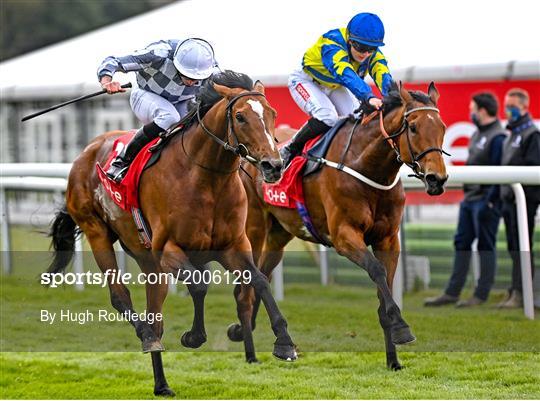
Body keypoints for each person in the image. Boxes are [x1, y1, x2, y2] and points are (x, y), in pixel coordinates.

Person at [280, 12, 393, 167]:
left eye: (372, 49)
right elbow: (346, 74)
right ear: (349, 39)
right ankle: (289, 149)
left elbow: (383, 74)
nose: (365, 54)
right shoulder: (332, 44)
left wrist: (392, 96)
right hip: (305, 81)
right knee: (327, 116)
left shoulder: (372, 54)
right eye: (361, 47)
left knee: (357, 117)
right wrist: (368, 97)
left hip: (334, 85)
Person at [425, 93, 506, 307]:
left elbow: (501, 173)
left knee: (485, 247)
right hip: (470, 200)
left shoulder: (498, 136)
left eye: (472, 108)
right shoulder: (478, 135)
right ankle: (452, 292)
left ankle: (481, 295)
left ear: (482, 110)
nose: (470, 113)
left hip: (486, 201)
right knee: (461, 243)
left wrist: (490, 201)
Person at [97, 38, 218, 182]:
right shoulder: (157, 54)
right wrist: (107, 82)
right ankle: (121, 161)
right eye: (186, 76)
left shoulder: (211, 69)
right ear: (175, 63)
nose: (191, 82)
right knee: (169, 118)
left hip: (181, 102)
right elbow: (112, 61)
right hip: (145, 95)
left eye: (197, 79)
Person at [497, 88, 540, 308]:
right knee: (514, 247)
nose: (508, 109)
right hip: (508, 200)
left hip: (523, 203)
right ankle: (516, 290)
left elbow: (533, 171)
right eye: (507, 105)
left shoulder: (532, 134)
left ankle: (523, 293)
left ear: (524, 107)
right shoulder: (512, 133)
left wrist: (524, 200)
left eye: (512, 106)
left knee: (523, 247)